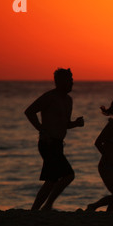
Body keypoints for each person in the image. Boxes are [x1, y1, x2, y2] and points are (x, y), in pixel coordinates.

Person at [25, 68, 84, 211]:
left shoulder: (68, 100)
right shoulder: (50, 97)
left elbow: (65, 124)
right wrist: (41, 129)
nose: (72, 83)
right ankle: (44, 207)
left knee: (54, 179)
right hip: (48, 142)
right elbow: (29, 111)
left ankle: (39, 208)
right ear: (60, 82)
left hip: (58, 144)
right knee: (65, 176)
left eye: (72, 80)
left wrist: (75, 123)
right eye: (69, 80)